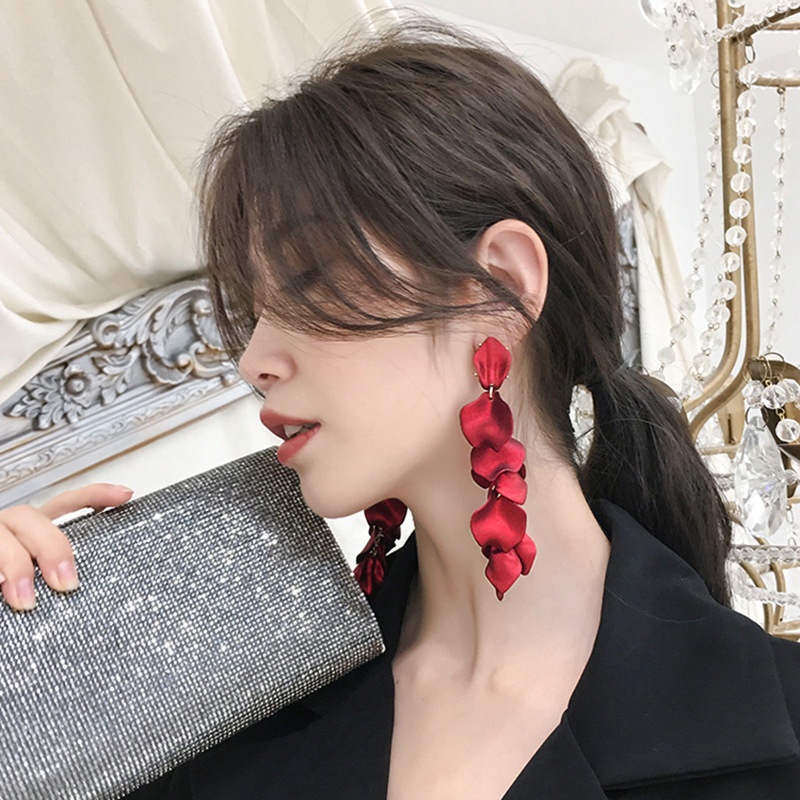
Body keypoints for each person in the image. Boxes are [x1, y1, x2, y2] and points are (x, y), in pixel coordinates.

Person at [2, 19, 799, 800]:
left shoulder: (774, 726)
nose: (254, 361)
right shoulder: (228, 725)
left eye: (309, 282)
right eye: (254, 310)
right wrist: (25, 667)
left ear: (500, 288)